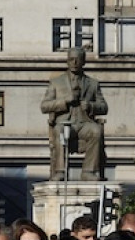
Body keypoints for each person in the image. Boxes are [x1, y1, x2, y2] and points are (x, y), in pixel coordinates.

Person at [41, 47, 109, 180]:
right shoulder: (56, 83)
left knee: (96, 131)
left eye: (78, 59)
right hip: (66, 123)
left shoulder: (93, 84)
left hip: (84, 123)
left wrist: (90, 106)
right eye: (71, 59)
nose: (74, 62)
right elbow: (44, 106)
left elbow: (104, 107)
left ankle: (88, 172)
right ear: (67, 61)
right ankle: (60, 171)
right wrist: (65, 101)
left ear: (83, 61)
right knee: (60, 131)